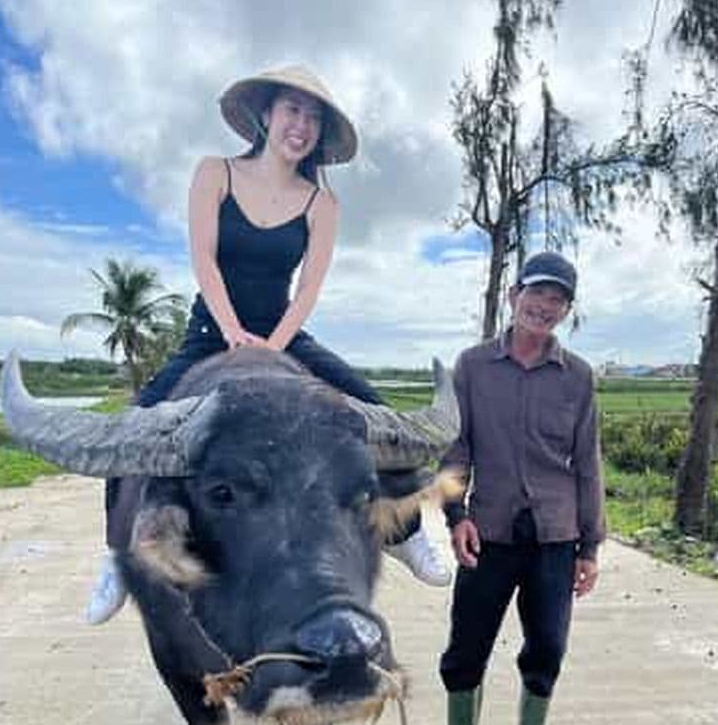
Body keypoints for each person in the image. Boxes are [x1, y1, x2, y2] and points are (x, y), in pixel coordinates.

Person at [86, 65, 450, 624]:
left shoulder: (320, 203)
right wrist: (232, 335)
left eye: (312, 117)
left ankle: (405, 534)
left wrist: (270, 347)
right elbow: (204, 260)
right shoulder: (216, 173)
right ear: (266, 115)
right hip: (212, 332)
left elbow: (308, 287)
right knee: (134, 428)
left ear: (320, 134)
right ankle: (118, 554)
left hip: (285, 336)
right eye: (291, 110)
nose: (300, 125)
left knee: (378, 416)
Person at [422, 251, 604, 725]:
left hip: (555, 536)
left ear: (565, 311)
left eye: (558, 299)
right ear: (513, 296)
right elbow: (457, 451)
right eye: (537, 293)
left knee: (547, 645)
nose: (544, 306)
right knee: (465, 645)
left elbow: (587, 463)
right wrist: (456, 516)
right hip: (490, 531)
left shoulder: (577, 377)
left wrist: (590, 548)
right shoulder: (474, 366)